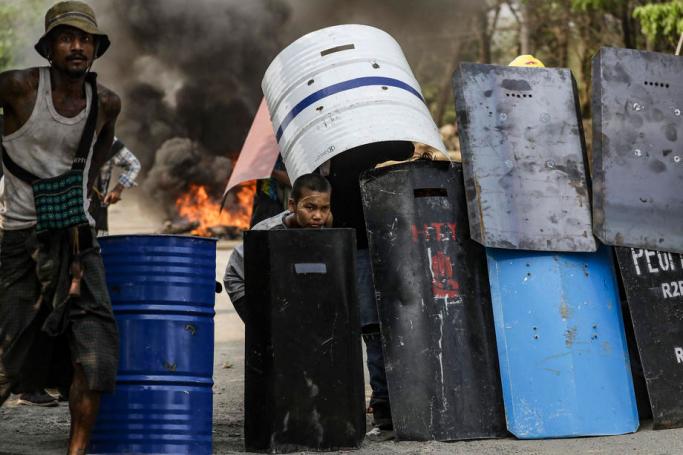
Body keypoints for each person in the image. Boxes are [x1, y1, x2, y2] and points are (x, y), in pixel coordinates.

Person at [0, 2, 121, 454]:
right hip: (21, 242)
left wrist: (82, 193)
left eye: (86, 39)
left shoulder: (106, 103)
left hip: (79, 244)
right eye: (67, 38)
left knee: (95, 358)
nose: (77, 46)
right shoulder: (16, 88)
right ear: (49, 47)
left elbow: (100, 154)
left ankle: (76, 452)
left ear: (95, 49)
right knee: (7, 362)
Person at [325, 140, 414, 440]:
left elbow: (403, 148)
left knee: (381, 329)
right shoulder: (319, 142)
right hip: (340, 244)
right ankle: (385, 410)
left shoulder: (358, 135)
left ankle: (390, 411)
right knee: (368, 330)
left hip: (374, 241)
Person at [224, 173, 332, 322]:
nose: (318, 216)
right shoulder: (266, 232)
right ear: (292, 205)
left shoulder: (325, 227)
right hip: (253, 289)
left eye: (324, 209)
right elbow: (237, 274)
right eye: (310, 207)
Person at [91, 137, 141, 236]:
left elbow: (134, 165)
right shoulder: (70, 137)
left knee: (99, 247)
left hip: (97, 213)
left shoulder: (109, 142)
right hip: (70, 211)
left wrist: (117, 189)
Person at [250, 154, 291, 227]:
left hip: (279, 204)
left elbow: (296, 181)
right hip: (263, 200)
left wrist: (271, 171)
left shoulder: (291, 153)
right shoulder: (266, 152)